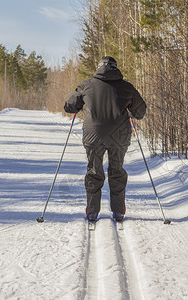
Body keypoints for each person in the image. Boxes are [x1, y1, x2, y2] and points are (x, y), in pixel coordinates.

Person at [64, 56, 146, 222]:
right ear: (116, 68)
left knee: (94, 171)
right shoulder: (127, 87)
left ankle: (92, 211)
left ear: (98, 68)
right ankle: (118, 212)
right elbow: (140, 112)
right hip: (119, 136)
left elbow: (69, 106)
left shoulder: (87, 85)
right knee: (117, 171)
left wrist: (79, 105)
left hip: (93, 135)